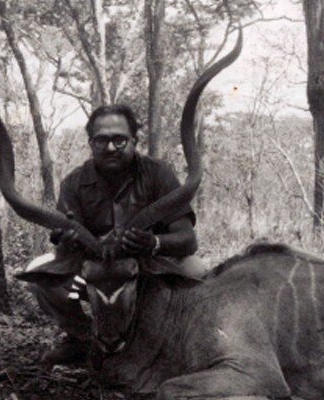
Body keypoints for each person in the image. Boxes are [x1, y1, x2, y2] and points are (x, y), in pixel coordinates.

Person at [35, 104, 203, 366]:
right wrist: (68, 240)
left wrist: (154, 243)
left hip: (147, 274)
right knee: (39, 272)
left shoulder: (158, 174)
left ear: (134, 140)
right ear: (91, 143)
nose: (110, 147)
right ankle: (83, 339)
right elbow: (66, 238)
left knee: (197, 271)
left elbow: (187, 240)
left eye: (119, 139)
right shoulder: (74, 182)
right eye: (101, 140)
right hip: (96, 277)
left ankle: (168, 338)